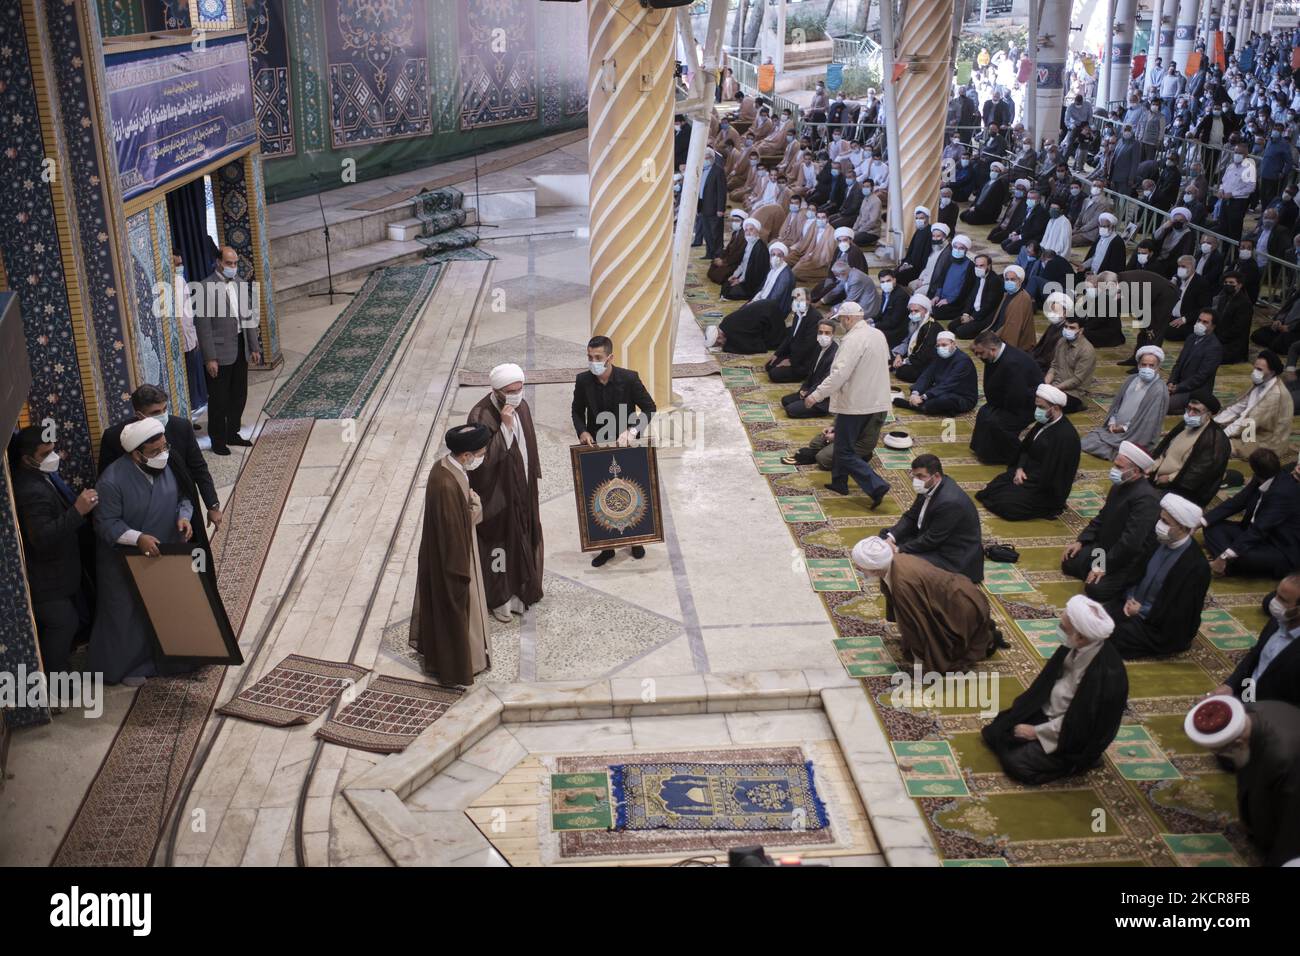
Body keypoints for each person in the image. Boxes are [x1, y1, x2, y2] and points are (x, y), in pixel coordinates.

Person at [90, 419, 200, 686]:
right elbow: (106, 523)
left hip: (164, 555)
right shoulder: (111, 481)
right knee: (127, 618)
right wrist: (138, 538)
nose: (162, 454)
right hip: (125, 561)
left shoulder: (168, 463)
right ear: (136, 453)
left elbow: (184, 496)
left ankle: (177, 659)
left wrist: (185, 516)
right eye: (154, 451)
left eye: (164, 447)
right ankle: (128, 667)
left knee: (168, 609)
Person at [982, 594, 1128, 786]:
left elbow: (1081, 722)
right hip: (1051, 712)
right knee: (995, 732)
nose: (1060, 631)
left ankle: (1078, 765)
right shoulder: (1076, 644)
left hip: (1070, 733)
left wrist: (1037, 732)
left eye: (1064, 628)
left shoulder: (1106, 675)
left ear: (1081, 636)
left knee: (1016, 763)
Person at [10, 426, 98, 681]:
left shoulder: (41, 475)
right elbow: (42, 537)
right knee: (63, 623)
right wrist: (77, 511)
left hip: (61, 572)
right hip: (46, 578)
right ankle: (57, 683)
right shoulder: (29, 489)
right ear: (27, 458)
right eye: (46, 453)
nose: (54, 456)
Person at [410, 424, 492, 687]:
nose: (482, 457)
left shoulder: (444, 467)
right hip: (455, 559)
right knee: (460, 610)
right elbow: (455, 528)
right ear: (466, 455)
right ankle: (462, 664)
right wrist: (476, 507)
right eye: (480, 453)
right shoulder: (446, 483)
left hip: (452, 550)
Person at [1182, 695, 1300, 866]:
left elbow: (1292, 826)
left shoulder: (1282, 758)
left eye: (1220, 752)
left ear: (1238, 742)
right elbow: (1243, 764)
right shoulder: (1249, 716)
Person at [466, 364, 543, 624]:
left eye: (519, 389)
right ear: (496, 390)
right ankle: (500, 599)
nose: (516, 395)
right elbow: (481, 463)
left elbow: (528, 443)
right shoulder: (481, 414)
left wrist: (532, 477)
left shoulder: (522, 405)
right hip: (497, 493)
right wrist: (506, 428)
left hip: (522, 486)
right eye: (510, 391)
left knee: (522, 536)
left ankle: (522, 592)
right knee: (500, 547)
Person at [98, 384, 222, 546]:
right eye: (156, 413)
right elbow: (108, 483)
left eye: (165, 409)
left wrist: (212, 505)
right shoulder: (115, 436)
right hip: (138, 520)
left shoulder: (181, 427)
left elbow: (199, 469)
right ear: (139, 414)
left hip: (179, 509)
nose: (163, 415)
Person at [851, 537, 998, 672]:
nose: (858, 570)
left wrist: (921, 656)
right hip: (960, 594)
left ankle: (984, 642)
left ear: (875, 570)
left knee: (942, 652)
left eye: (860, 568)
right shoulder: (896, 561)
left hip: (961, 607)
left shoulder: (902, 584)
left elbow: (917, 625)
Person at [571, 336, 657, 567]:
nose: (593, 362)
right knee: (600, 494)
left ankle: (635, 539)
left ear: (610, 357)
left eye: (598, 358)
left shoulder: (629, 378)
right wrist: (582, 432)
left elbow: (649, 408)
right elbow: (577, 411)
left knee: (632, 490)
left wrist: (632, 431)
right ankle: (606, 546)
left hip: (626, 444)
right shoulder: (583, 380)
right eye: (590, 357)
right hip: (597, 445)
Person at [803, 302, 892, 508]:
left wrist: (816, 395)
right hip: (877, 401)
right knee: (845, 445)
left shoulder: (852, 340)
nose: (841, 324)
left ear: (849, 318)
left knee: (844, 451)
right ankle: (839, 483)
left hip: (856, 404)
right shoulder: (877, 334)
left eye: (841, 320)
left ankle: (876, 485)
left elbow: (839, 375)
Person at [1106, 493, 1212, 659]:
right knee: (1099, 619)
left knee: (1113, 638)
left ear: (1183, 528)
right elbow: (1136, 574)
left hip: (1159, 625)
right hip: (1132, 605)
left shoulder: (1196, 567)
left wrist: (1143, 611)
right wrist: (1129, 596)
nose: (1159, 525)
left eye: (1166, 522)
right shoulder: (1159, 541)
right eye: (1160, 519)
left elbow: (1180, 612)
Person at [1061, 442, 1161, 602]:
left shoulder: (1146, 499)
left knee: (1095, 589)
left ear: (1135, 472)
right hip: (1106, 548)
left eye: (1119, 467)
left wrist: (1103, 566)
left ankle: (1124, 582)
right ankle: (1095, 567)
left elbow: (1130, 543)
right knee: (1070, 563)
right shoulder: (1119, 486)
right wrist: (1081, 541)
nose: (1114, 470)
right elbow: (1102, 517)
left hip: (1126, 559)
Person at [194, 245, 263, 456]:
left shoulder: (240, 284)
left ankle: (233, 432)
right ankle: (218, 440)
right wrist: (210, 358)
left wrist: (254, 347)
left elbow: (249, 318)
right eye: (228, 263)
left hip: (240, 346)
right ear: (218, 262)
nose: (233, 267)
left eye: (235, 264)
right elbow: (203, 327)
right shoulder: (205, 287)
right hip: (220, 351)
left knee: (239, 395)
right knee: (219, 399)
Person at [976, 383, 1080, 521]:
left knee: (1008, 506)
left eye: (1041, 407)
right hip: (1025, 473)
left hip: (1042, 487)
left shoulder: (1065, 437)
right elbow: (1026, 449)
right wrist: (1019, 469)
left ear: (1055, 408)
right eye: (1037, 406)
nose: (1037, 410)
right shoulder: (1043, 423)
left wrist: (1026, 480)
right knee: (990, 489)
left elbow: (1054, 474)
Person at [879, 455, 983, 582]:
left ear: (936, 476)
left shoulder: (950, 502)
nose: (916, 481)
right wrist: (891, 538)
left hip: (952, 554)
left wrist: (898, 549)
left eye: (921, 476)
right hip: (930, 535)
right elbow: (911, 516)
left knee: (901, 562)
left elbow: (932, 540)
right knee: (886, 535)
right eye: (914, 476)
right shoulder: (929, 486)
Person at [1204, 448, 1300, 580]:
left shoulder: (1283, 492)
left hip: (1279, 546)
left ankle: (1226, 565)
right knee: (1212, 527)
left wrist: (1224, 556)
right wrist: (1201, 521)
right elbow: (1238, 501)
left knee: (1245, 556)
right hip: (1253, 532)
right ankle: (1229, 565)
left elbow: (1260, 529)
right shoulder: (1265, 476)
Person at [1212, 573, 1300, 708]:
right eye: (1275, 594)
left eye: (1283, 600)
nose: (1274, 602)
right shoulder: (1278, 621)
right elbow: (1255, 658)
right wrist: (1230, 685)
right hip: (1248, 696)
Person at [1080, 346, 1169, 460]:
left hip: (1136, 435)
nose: (1147, 368)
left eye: (1151, 366)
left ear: (1158, 367)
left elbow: (1149, 424)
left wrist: (1124, 429)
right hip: (1116, 430)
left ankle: (1124, 454)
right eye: (1144, 364)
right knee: (1088, 440)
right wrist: (1112, 422)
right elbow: (1117, 406)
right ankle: (1120, 452)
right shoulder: (1131, 379)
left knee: (1128, 452)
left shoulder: (1159, 390)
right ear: (1138, 365)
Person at [969, 331, 1042, 466]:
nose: (979, 356)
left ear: (993, 349)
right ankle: (983, 450)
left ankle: (1016, 457)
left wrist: (998, 408)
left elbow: (1017, 395)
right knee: (984, 412)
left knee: (997, 423)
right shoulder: (993, 356)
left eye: (981, 353)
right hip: (1006, 401)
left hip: (1026, 406)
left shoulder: (1012, 363)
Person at [707, 241, 795, 353]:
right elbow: (763, 289)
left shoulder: (785, 276)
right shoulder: (773, 269)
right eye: (773, 254)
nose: (775, 257)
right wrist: (753, 301)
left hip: (774, 310)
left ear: (784, 257)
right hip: (763, 303)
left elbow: (775, 300)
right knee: (743, 311)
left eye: (779, 255)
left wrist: (756, 305)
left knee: (767, 338)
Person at [1148, 395, 1231, 507]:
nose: (1190, 414)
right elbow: (1164, 450)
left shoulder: (1215, 439)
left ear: (1209, 414)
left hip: (1180, 488)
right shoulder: (1185, 425)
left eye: (1196, 411)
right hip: (1159, 477)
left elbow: (1200, 473)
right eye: (1189, 409)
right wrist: (1152, 468)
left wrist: (1170, 478)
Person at [1214, 350, 1295, 460]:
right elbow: (1239, 407)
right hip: (1253, 427)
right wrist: (1214, 422)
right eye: (1255, 368)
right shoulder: (1261, 382)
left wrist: (1221, 435)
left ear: (1272, 372)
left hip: (1267, 439)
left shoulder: (1274, 395)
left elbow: (1249, 421)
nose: (1254, 372)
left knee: (1218, 446)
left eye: (1259, 370)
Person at [895, 329, 977, 415]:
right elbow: (927, 375)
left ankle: (915, 406)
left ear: (954, 344)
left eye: (944, 345)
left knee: (940, 401)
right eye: (938, 345)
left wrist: (923, 397)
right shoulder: (939, 355)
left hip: (961, 396)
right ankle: (925, 406)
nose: (941, 348)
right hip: (942, 389)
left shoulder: (963, 361)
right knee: (919, 390)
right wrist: (916, 393)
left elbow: (948, 384)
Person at [1165, 309, 1223, 414]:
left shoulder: (1214, 347)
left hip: (1195, 392)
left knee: (1160, 403)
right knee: (1151, 395)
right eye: (1199, 320)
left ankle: (1185, 409)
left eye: (1205, 322)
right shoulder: (1191, 338)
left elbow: (1201, 377)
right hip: (1178, 386)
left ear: (1213, 326)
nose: (1200, 324)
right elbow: (1178, 364)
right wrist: (1171, 382)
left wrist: (1177, 388)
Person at [780, 316, 839, 419]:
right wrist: (804, 388)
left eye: (827, 333)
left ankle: (822, 410)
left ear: (833, 335)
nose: (823, 335)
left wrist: (809, 393)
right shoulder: (818, 347)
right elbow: (811, 373)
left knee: (790, 410)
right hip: (811, 389)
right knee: (785, 401)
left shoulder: (834, 354)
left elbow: (825, 381)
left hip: (822, 397)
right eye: (820, 332)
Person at [171, 251, 207, 416]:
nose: (179, 267)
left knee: (190, 380)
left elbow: (187, 311)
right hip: (176, 342)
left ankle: (189, 415)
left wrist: (194, 335)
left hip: (189, 339)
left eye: (180, 264)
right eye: (176, 264)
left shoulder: (181, 280)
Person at [766, 289, 822, 384]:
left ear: (808, 301)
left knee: (774, 374)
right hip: (794, 353)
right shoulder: (797, 314)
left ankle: (804, 374)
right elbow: (790, 337)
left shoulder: (815, 318)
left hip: (804, 361)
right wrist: (777, 354)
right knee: (769, 365)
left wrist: (791, 361)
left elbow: (808, 346)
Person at [1043, 314, 1095, 412]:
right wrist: (1045, 383)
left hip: (1074, 393)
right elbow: (1054, 366)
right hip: (1055, 386)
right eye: (1066, 327)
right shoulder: (1061, 341)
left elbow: (1077, 380)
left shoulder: (1087, 350)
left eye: (1072, 328)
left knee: (1046, 404)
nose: (1067, 330)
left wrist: (1054, 388)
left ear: (1081, 331)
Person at [948, 253, 1004, 339]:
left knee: (960, 332)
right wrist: (966, 314)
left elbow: (989, 305)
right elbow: (971, 297)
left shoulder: (994, 281)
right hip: (973, 312)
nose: (978, 268)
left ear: (989, 266)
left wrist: (972, 318)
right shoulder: (978, 276)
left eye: (981, 266)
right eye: (976, 266)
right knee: (951, 326)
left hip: (984, 316)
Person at [890, 293, 942, 384]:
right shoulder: (915, 322)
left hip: (927, 362)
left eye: (916, 311)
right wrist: (899, 355)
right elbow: (907, 341)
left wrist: (904, 361)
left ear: (926, 311)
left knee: (904, 372)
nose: (913, 313)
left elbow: (924, 354)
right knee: (891, 356)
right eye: (911, 311)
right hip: (914, 357)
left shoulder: (930, 327)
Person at [985, 264, 1035, 351]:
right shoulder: (1008, 294)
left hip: (1015, 341)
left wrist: (995, 336)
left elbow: (1013, 327)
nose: (1009, 282)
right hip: (1001, 332)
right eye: (1007, 279)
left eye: (1012, 279)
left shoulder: (1023, 298)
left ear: (1020, 281)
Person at [720, 217, 768, 300]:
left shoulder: (760, 248)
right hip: (746, 277)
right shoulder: (749, 244)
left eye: (751, 230)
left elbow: (755, 273)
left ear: (757, 231)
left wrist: (740, 280)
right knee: (726, 284)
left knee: (729, 292)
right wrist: (735, 275)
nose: (748, 233)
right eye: (746, 230)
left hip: (753, 282)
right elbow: (743, 264)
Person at [696, 148, 728, 258]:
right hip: (703, 205)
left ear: (712, 158)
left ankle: (717, 253)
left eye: (707, 158)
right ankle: (709, 253)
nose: (705, 160)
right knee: (707, 232)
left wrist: (721, 209)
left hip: (714, 208)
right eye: (704, 158)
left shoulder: (718, 171)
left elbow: (721, 192)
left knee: (716, 232)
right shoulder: (701, 170)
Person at [706, 209, 749, 284]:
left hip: (735, 263)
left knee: (717, 276)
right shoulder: (735, 233)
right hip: (729, 260)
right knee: (712, 266)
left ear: (743, 222)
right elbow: (728, 249)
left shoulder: (743, 236)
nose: (734, 223)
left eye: (737, 221)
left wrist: (724, 262)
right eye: (733, 221)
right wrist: (721, 258)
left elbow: (738, 255)